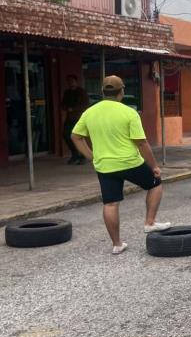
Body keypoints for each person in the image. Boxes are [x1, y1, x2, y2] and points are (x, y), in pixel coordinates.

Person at [70, 76, 170, 255]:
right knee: (155, 185)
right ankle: (150, 223)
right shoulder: (129, 112)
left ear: (102, 92)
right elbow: (141, 143)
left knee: (110, 204)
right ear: (121, 92)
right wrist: (154, 166)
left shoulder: (89, 112)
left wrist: (91, 156)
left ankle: (117, 244)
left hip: (105, 166)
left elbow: (75, 137)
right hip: (130, 162)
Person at [62, 75, 89, 164]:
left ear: (76, 82)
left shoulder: (82, 92)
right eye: (69, 81)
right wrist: (67, 108)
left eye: (72, 81)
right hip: (70, 118)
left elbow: (85, 104)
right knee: (66, 135)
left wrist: (74, 109)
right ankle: (75, 154)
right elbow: (62, 104)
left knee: (79, 137)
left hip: (79, 118)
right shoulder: (67, 92)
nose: (71, 83)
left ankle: (83, 156)